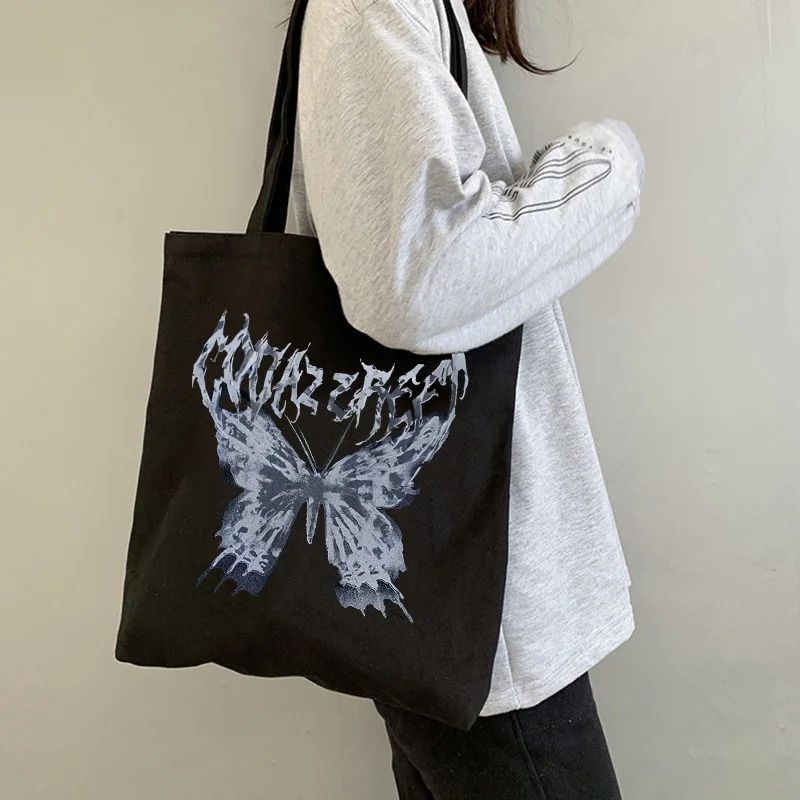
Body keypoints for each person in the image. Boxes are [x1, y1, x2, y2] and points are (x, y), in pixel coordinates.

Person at [286, 0, 646, 797]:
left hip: (454, 593)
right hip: (481, 607)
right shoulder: (373, 9)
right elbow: (417, 284)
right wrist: (606, 168)